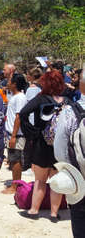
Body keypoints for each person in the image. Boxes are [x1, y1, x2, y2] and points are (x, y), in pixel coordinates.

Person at [19, 70, 66, 221]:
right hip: (60, 146)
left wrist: (32, 132)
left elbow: (23, 113)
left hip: (42, 143)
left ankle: (34, 211)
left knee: (40, 180)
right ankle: (54, 213)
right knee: (56, 181)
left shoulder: (41, 99)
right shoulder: (67, 101)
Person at [51, 70, 85, 237]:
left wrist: (72, 173)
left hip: (81, 181)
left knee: (80, 220)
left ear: (82, 86)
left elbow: (60, 151)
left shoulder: (71, 112)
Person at [2, 74, 28, 194]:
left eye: (10, 81)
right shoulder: (15, 97)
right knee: (12, 159)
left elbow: (19, 117)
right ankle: (14, 183)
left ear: (15, 84)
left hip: (17, 134)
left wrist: (13, 136)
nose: (8, 83)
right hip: (11, 133)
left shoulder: (20, 98)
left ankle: (16, 186)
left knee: (16, 159)